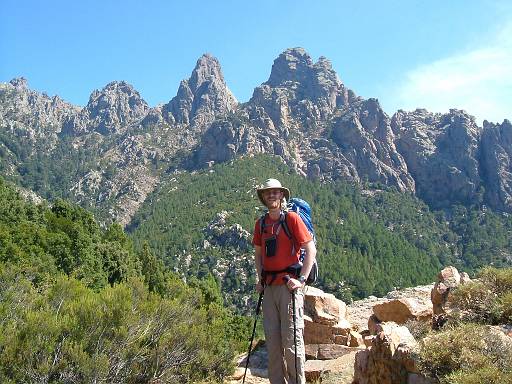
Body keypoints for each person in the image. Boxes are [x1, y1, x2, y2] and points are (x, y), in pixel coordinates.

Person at [252, 178, 317, 384]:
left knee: (291, 342)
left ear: (282, 195)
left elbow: (310, 249)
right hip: (269, 288)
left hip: (289, 287)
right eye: (268, 193)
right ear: (264, 197)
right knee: (272, 343)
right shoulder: (260, 224)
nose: (272, 195)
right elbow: (258, 255)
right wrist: (259, 279)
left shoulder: (291, 220)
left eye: (275, 192)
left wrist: (302, 280)